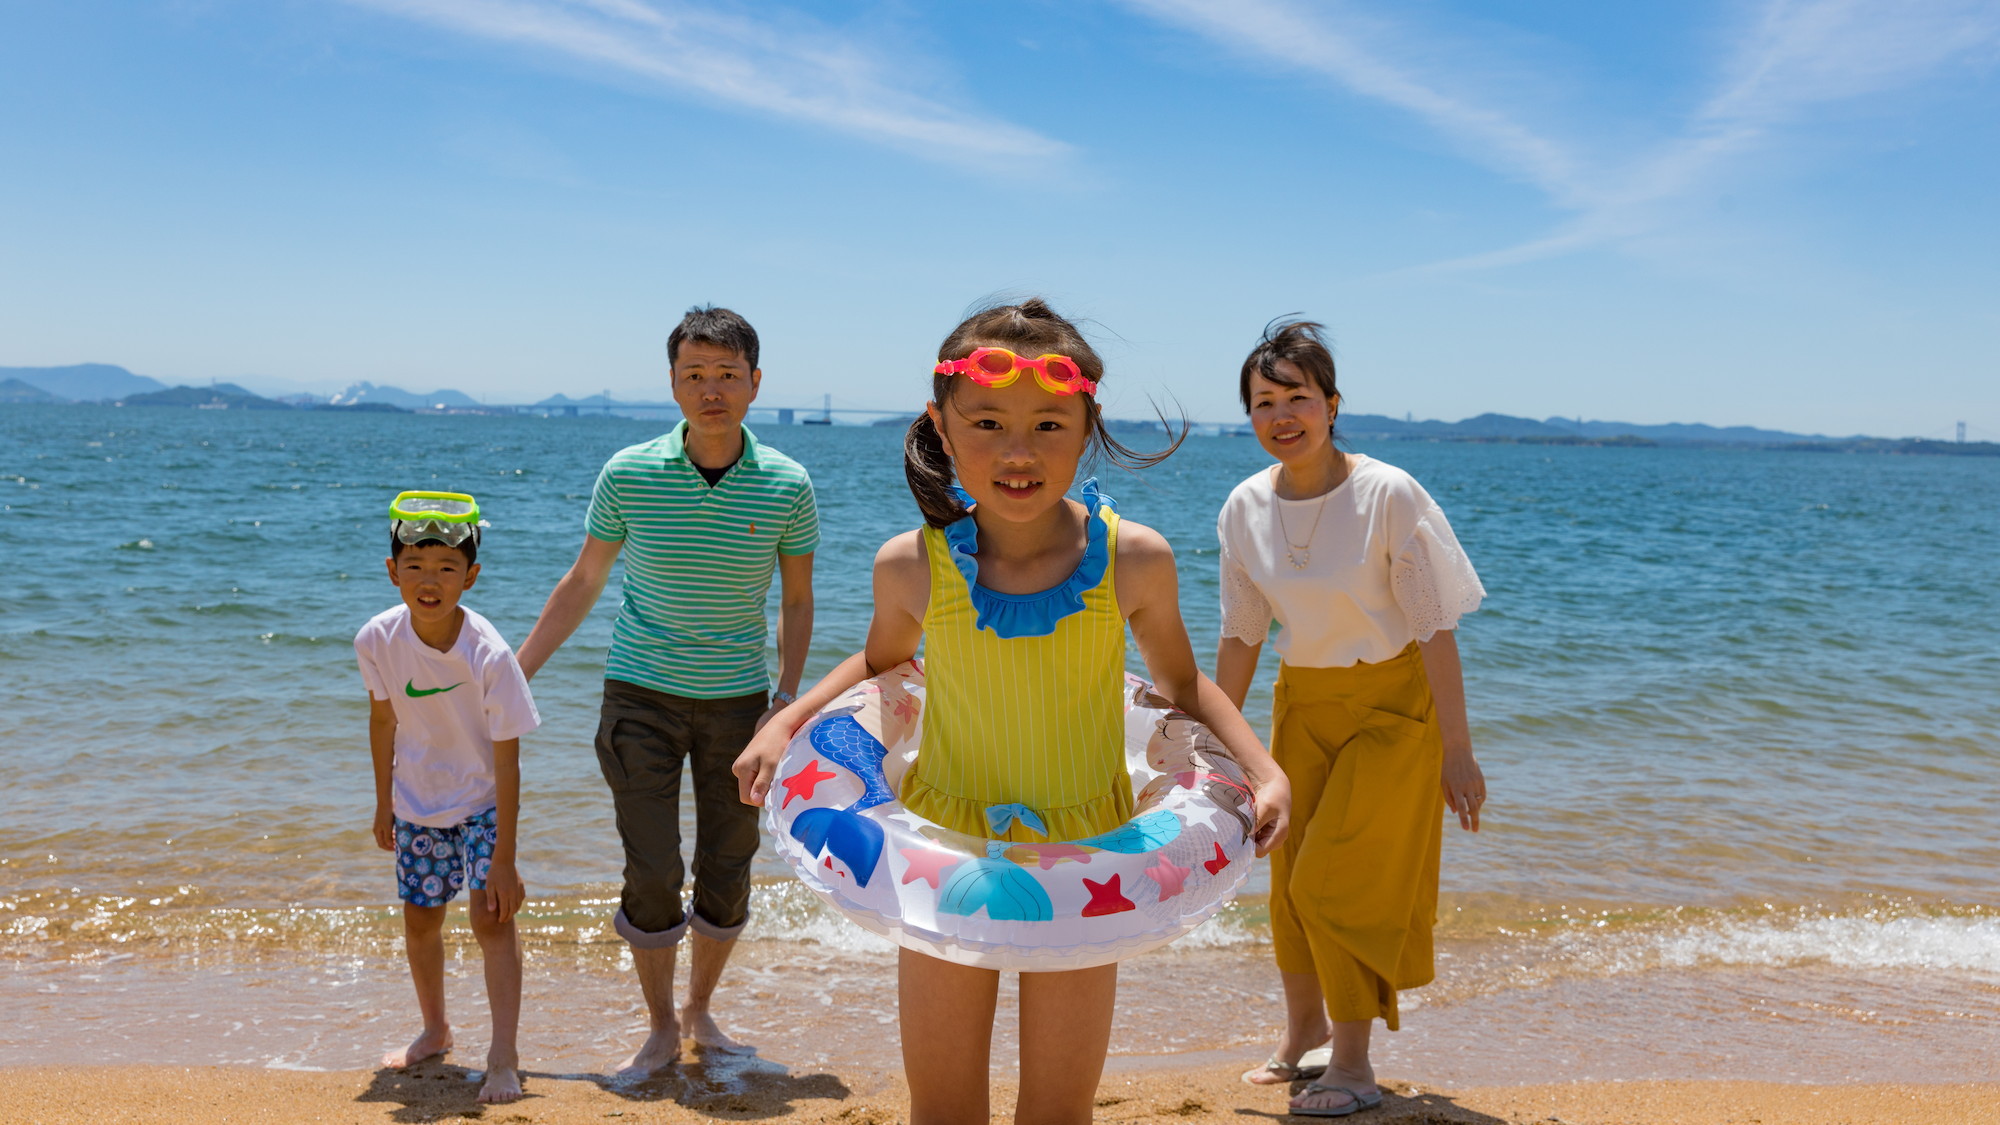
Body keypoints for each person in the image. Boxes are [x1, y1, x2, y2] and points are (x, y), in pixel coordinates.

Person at [733, 298, 1291, 1125]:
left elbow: (1181, 685)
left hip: (1090, 849)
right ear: (942, 427)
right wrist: (786, 721)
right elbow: (881, 666)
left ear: (1088, 426)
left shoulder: (1132, 559)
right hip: (941, 845)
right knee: (945, 1106)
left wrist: (1264, 766)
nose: (1017, 452)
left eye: (1049, 426)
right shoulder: (912, 566)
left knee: (1059, 1111)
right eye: (987, 422)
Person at [516, 305, 818, 1076]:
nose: (710, 389)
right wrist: (515, 673)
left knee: (730, 862)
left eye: (726, 375)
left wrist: (784, 701)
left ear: (755, 383)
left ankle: (700, 1009)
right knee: (651, 867)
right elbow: (584, 580)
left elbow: (796, 600)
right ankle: (657, 1024)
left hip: (741, 704)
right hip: (640, 694)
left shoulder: (788, 483)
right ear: (674, 384)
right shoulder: (629, 472)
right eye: (694, 375)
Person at [1214, 320, 1488, 1117]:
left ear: (1332, 405)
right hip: (1301, 703)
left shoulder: (1387, 494)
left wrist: (1458, 751)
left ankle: (1356, 1064)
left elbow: (1435, 628)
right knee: (1289, 882)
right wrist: (1221, 748)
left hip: (1394, 711)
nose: (1281, 414)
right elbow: (1240, 634)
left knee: (1339, 881)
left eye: (1297, 396)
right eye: (1264, 402)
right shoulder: (1243, 507)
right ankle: (1303, 1035)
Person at [355, 491, 539, 1105]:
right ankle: (435, 1030)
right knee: (420, 920)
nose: (428, 581)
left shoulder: (490, 653)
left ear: (471, 576)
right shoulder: (376, 639)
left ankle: (503, 1055)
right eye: (414, 565)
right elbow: (383, 721)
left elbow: (509, 759)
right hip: (417, 802)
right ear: (392, 571)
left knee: (491, 918)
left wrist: (505, 856)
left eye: (445, 569)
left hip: (484, 801)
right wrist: (383, 802)